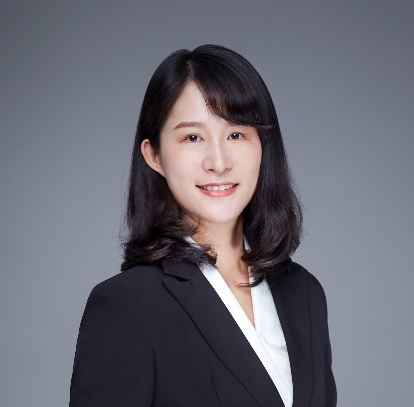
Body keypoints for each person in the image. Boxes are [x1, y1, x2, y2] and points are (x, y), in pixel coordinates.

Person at [69, 44, 336, 407]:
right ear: (154, 155)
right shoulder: (128, 305)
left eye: (236, 134)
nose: (218, 162)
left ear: (263, 145)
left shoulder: (303, 293)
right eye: (192, 137)